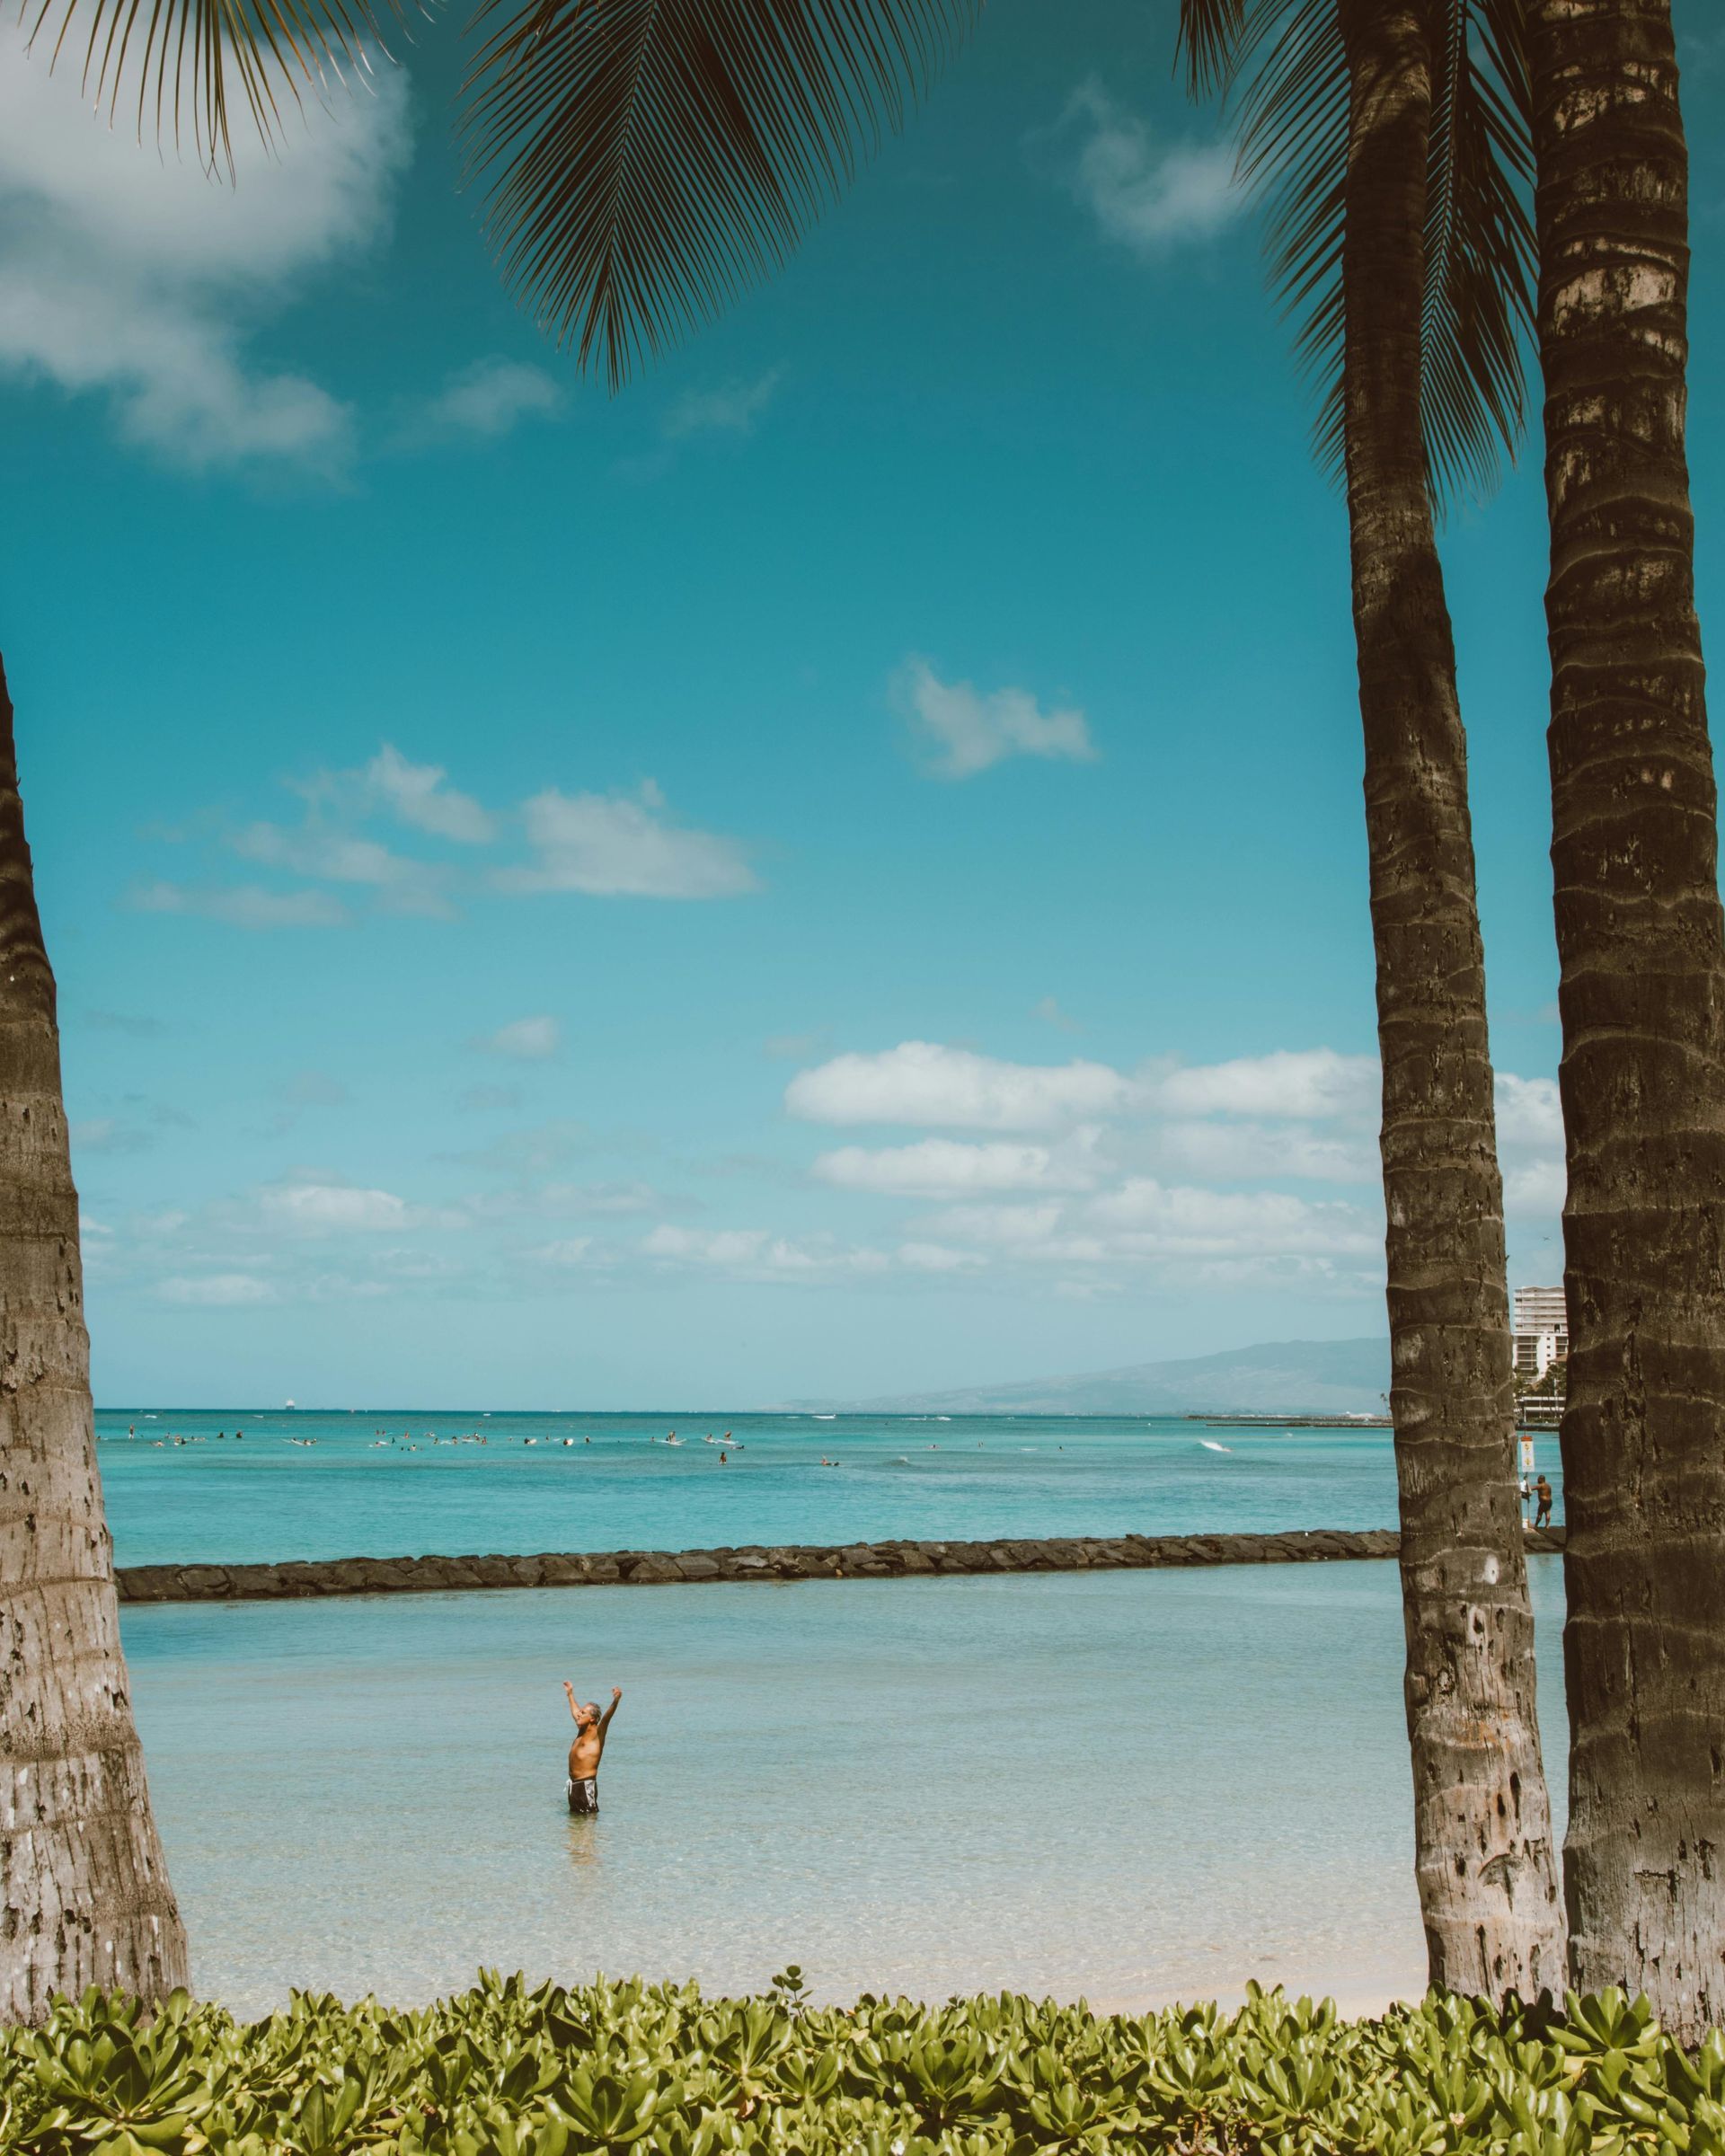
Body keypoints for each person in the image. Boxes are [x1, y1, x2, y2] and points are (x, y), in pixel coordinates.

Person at [563, 1682, 622, 1814]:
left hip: (586, 1785)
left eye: (583, 1713)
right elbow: (575, 1712)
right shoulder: (581, 1731)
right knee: (575, 1828)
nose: (579, 1714)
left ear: (592, 1719)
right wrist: (570, 1694)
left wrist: (616, 1700)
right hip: (573, 1786)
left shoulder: (597, 1736)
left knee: (589, 1824)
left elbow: (607, 1718)